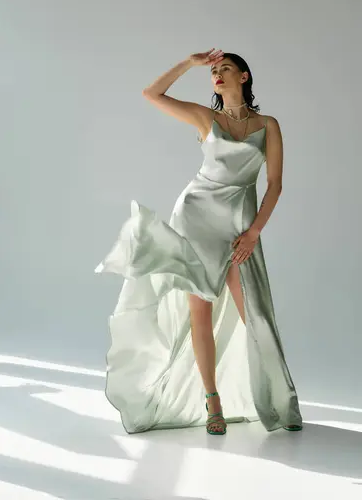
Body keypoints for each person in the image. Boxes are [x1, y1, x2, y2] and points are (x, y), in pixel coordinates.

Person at [95, 49, 303, 435]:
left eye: (226, 69)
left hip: (241, 225)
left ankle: (278, 398)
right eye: (213, 72)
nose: (218, 75)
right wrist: (189, 64)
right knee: (200, 313)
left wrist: (254, 231)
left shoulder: (268, 125)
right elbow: (151, 94)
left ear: (244, 76)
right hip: (196, 218)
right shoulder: (207, 118)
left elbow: (274, 185)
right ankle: (213, 402)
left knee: (254, 313)